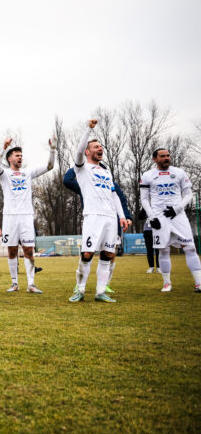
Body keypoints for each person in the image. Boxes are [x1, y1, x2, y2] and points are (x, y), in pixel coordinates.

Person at [68, 119, 127, 303]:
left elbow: (114, 195)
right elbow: (78, 152)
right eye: (95, 146)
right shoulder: (82, 168)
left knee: (108, 254)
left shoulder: (106, 172)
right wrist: (88, 129)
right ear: (87, 151)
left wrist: (122, 216)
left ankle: (100, 292)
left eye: (100, 146)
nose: (99, 149)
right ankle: (80, 289)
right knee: (87, 253)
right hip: (93, 217)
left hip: (110, 217)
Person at [0, 136, 56, 294]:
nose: (20, 157)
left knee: (29, 250)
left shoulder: (28, 172)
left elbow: (49, 166)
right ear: (9, 159)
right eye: (17, 155)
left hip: (26, 216)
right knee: (12, 251)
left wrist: (52, 149)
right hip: (10, 217)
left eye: (21, 155)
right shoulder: (5, 174)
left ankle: (31, 284)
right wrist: (3, 147)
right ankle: (14, 283)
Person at [63, 162, 132, 293]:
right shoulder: (86, 183)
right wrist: (79, 167)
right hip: (93, 220)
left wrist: (127, 217)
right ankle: (80, 285)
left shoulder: (111, 184)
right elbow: (67, 180)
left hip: (111, 221)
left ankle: (104, 284)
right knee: (88, 253)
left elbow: (121, 200)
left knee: (110, 254)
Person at [139, 148, 201, 292]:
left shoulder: (179, 172)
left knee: (190, 247)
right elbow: (144, 199)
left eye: (168, 155)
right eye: (162, 156)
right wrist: (151, 216)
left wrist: (177, 209)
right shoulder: (148, 175)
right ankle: (167, 283)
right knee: (163, 250)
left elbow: (188, 195)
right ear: (155, 159)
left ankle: (198, 283)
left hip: (178, 215)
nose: (167, 158)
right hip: (159, 217)